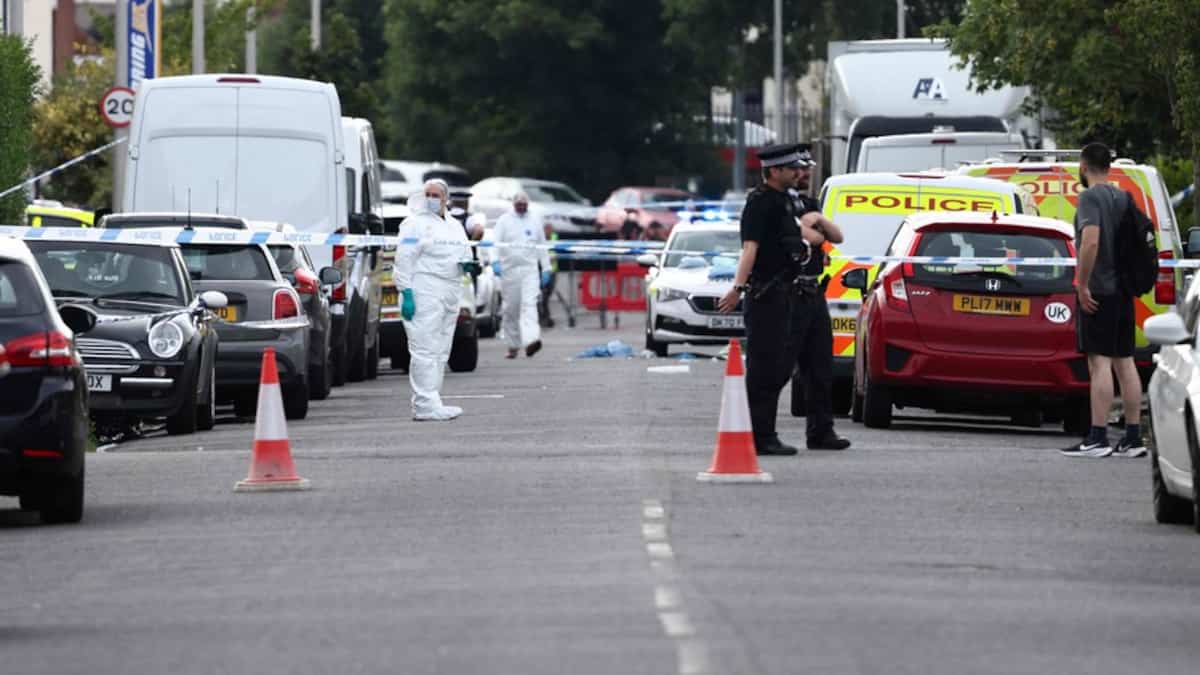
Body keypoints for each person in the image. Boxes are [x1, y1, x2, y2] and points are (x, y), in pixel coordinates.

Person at [718, 144, 826, 456]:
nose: (799, 172)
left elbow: (805, 239)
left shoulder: (786, 201)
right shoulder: (760, 202)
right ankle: (761, 436)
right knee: (766, 369)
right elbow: (750, 249)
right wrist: (737, 288)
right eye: (792, 168)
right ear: (774, 171)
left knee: (779, 366)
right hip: (766, 294)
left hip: (786, 295)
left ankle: (765, 433)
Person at [1062, 142, 1146, 458]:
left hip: (1100, 291)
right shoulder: (1123, 197)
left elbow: (1091, 243)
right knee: (1125, 362)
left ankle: (1097, 437)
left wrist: (1082, 285)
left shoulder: (1089, 198)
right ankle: (1133, 438)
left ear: (1084, 167)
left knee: (1099, 363)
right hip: (1123, 292)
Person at [788, 147, 851, 451]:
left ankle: (821, 431)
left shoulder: (808, 202)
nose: (805, 174)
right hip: (788, 293)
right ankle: (759, 432)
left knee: (820, 367)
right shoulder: (779, 203)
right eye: (800, 168)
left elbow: (836, 236)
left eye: (807, 168)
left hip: (814, 292)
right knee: (776, 368)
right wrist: (812, 227)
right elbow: (812, 238)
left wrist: (817, 220)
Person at [392, 179, 471, 421]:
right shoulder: (414, 224)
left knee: (440, 349)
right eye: (427, 194)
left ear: (446, 199)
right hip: (424, 289)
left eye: (436, 195)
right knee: (424, 348)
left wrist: (469, 266)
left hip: (450, 289)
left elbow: (465, 253)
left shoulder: (455, 226)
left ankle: (432, 399)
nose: (431, 199)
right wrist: (406, 292)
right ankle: (424, 405)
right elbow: (403, 259)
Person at [493, 192, 552, 358]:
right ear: (513, 204)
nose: (521, 207)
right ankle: (513, 345)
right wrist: (494, 262)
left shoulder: (534, 220)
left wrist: (546, 268)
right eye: (518, 204)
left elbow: (542, 246)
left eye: (524, 204)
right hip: (509, 271)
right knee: (511, 309)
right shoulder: (504, 221)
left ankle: (531, 340)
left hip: (529, 271)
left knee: (529, 305)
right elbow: (494, 244)